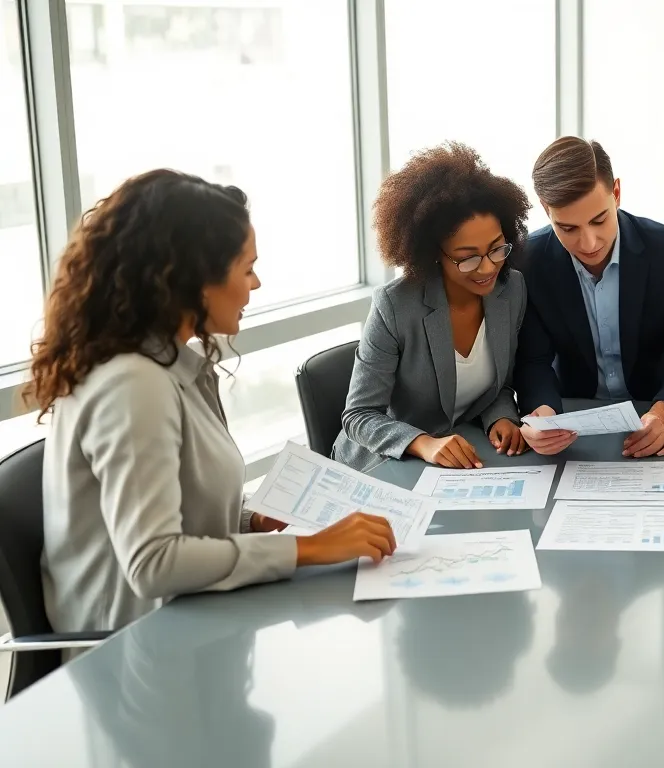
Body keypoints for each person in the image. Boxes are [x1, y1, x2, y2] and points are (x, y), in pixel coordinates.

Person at [29, 170, 396, 636]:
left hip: (194, 623)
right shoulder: (133, 385)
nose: (256, 283)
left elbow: (183, 504)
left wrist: (251, 517)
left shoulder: (173, 364)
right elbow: (154, 561)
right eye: (246, 268)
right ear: (195, 280)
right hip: (136, 654)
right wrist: (311, 548)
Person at [332, 143, 531, 472]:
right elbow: (358, 417)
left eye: (497, 249)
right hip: (383, 465)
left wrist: (501, 417)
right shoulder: (395, 306)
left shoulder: (511, 290)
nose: (487, 268)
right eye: (467, 258)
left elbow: (499, 383)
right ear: (433, 252)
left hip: (458, 457)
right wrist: (423, 442)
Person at [515, 136, 664, 458]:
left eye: (599, 220)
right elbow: (533, 360)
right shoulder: (529, 262)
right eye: (568, 228)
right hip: (572, 424)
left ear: (616, 193)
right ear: (545, 209)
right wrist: (543, 415)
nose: (588, 243)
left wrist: (663, 414)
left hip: (657, 416)